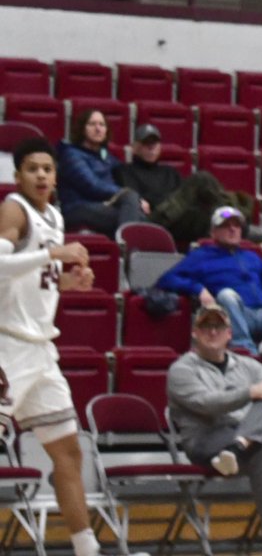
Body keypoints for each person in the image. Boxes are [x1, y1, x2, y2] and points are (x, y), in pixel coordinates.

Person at [0, 137, 148, 556]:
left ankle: (87, 550)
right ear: (18, 176)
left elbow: (32, 279)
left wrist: (66, 282)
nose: (41, 175)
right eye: (33, 168)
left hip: (41, 351)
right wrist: (52, 255)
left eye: (47, 168)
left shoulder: (54, 215)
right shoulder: (14, 208)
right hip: (7, 348)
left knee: (68, 450)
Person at [166, 303, 262, 556]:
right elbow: (206, 404)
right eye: (206, 326)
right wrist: (251, 392)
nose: (212, 332)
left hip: (244, 440)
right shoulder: (181, 369)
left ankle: (239, 446)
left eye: (218, 327)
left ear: (229, 333)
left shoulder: (250, 366)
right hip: (206, 440)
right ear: (194, 332)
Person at [155, 205, 262, 355]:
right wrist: (199, 289)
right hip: (235, 314)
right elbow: (167, 279)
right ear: (213, 232)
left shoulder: (251, 257)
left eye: (237, 225)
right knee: (226, 294)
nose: (232, 229)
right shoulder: (200, 256)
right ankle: (247, 353)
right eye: (226, 225)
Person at [114, 124, 262, 245]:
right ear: (134, 147)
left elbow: (182, 199)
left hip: (177, 220)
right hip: (154, 220)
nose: (151, 146)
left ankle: (237, 227)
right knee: (202, 179)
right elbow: (133, 199)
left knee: (209, 211)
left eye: (155, 142)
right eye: (146, 142)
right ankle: (243, 225)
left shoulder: (170, 172)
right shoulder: (124, 170)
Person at [57, 107, 147, 236]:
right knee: (133, 207)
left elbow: (124, 176)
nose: (98, 129)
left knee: (138, 215)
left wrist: (136, 199)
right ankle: (126, 245)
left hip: (103, 206)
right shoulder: (71, 155)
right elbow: (92, 185)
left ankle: (128, 243)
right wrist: (126, 194)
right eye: (92, 124)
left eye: (102, 124)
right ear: (82, 128)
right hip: (77, 208)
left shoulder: (107, 157)